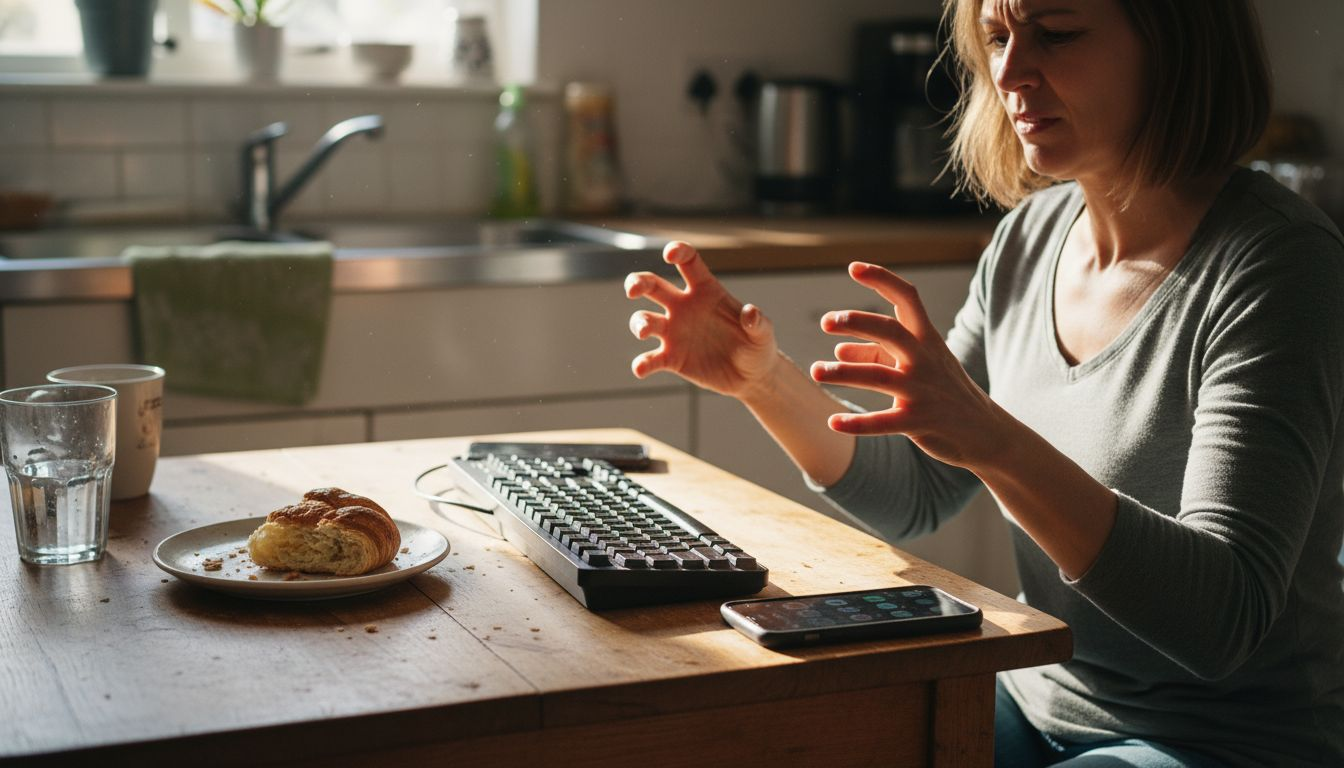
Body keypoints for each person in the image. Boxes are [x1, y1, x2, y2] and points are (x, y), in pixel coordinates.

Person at [622, 0, 1344, 765]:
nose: (1009, 71)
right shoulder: (1030, 241)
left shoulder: (1280, 267)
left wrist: (995, 441)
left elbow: (1221, 623)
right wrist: (763, 380)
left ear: (1178, 42)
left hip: (1224, 742)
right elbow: (916, 493)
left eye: (1056, 34)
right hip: (1036, 697)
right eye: (997, 38)